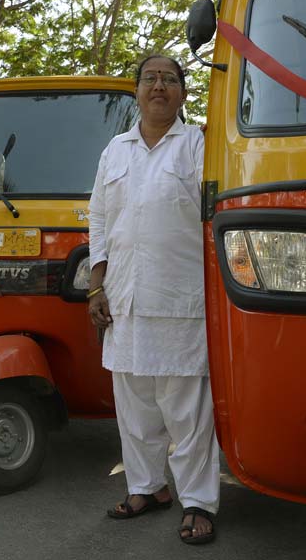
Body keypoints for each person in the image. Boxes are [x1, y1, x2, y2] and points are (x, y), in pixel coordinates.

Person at [88, 54, 220, 544]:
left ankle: (198, 501)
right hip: (124, 296)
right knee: (135, 404)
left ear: (183, 93)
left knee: (186, 409)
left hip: (181, 296)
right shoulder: (114, 151)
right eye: (150, 79)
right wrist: (96, 283)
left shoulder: (199, 145)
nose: (158, 86)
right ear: (136, 92)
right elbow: (99, 220)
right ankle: (147, 487)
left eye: (169, 79)